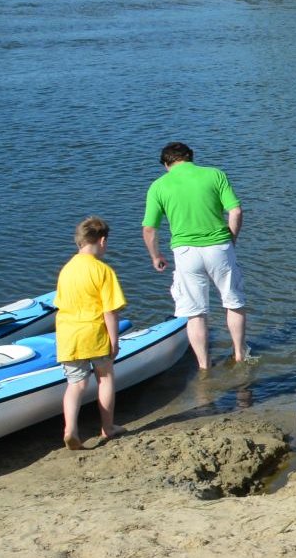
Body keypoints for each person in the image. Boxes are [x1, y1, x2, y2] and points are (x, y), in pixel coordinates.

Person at [142, 141, 248, 369]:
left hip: (185, 252)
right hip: (219, 247)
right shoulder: (215, 175)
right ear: (190, 157)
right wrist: (232, 238)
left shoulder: (158, 186)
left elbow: (150, 229)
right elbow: (236, 210)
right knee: (233, 302)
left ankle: (204, 365)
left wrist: (155, 255)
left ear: (166, 164)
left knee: (195, 313)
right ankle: (239, 354)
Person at [55, 216, 125, 450]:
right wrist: (114, 340)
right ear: (102, 241)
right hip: (93, 334)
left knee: (76, 384)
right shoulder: (103, 271)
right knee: (105, 377)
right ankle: (107, 427)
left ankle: (70, 429)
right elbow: (110, 311)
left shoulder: (66, 270)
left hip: (68, 336)